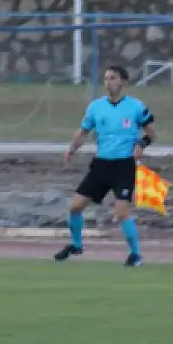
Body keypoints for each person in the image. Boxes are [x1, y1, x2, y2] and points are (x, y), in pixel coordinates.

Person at [55, 65, 153, 267]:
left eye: (113, 78)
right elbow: (83, 132)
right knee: (75, 207)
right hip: (101, 165)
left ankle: (135, 255)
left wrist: (141, 144)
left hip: (123, 166)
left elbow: (151, 133)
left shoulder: (136, 107)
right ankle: (76, 245)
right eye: (106, 78)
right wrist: (71, 149)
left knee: (121, 213)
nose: (108, 82)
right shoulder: (95, 107)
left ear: (124, 82)